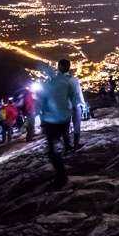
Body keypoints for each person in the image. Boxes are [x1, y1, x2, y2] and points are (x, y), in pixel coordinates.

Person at [38, 59, 78, 188]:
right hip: (65, 118)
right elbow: (73, 98)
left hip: (51, 120)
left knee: (52, 150)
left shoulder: (48, 84)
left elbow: (42, 102)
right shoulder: (68, 81)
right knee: (60, 140)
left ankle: (61, 177)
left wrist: (42, 118)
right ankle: (67, 149)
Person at [69, 72, 86, 150]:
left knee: (66, 127)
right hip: (75, 105)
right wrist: (83, 104)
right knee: (76, 125)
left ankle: (67, 145)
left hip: (64, 107)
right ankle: (76, 144)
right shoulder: (74, 80)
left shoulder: (59, 81)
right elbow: (78, 93)